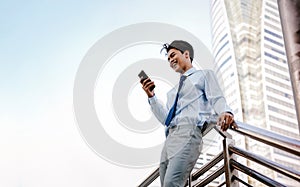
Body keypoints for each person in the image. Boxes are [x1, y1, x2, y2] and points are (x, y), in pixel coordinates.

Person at [140, 40, 237, 187]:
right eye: (168, 59)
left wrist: (225, 112)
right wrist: (151, 96)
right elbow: (166, 119)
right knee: (166, 184)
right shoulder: (172, 93)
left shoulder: (204, 75)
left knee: (171, 183)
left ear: (186, 54)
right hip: (170, 139)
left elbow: (216, 98)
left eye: (173, 55)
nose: (171, 60)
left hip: (188, 133)